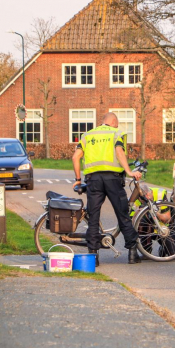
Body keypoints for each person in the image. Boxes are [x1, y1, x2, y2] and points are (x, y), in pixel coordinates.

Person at [72, 112, 143, 265]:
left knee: (93, 217)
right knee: (122, 214)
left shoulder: (87, 135)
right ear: (113, 122)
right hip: (113, 179)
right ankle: (132, 253)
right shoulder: (116, 133)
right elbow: (119, 152)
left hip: (93, 180)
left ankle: (93, 255)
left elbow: (75, 157)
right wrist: (129, 172)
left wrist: (78, 179)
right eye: (117, 124)